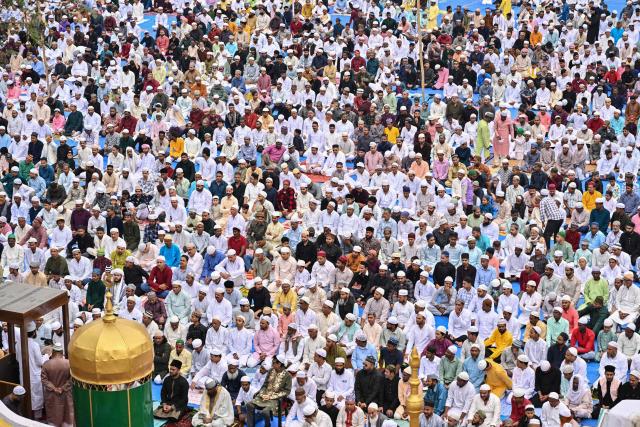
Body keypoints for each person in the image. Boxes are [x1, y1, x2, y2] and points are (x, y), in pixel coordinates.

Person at [246, 355, 292, 427]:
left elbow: (287, 391)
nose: (272, 364)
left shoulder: (287, 375)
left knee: (265, 412)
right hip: (264, 395)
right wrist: (261, 394)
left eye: (273, 363)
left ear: (279, 364)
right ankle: (250, 425)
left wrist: (271, 396)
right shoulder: (271, 370)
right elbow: (265, 385)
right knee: (249, 405)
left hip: (275, 399)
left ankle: (267, 425)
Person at [41, 343, 74, 427]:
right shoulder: (69, 363)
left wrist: (54, 388)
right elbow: (72, 379)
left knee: (53, 415)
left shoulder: (46, 364)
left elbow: (44, 380)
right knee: (67, 414)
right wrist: (63, 388)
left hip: (52, 395)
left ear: (53, 352)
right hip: (65, 394)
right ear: (62, 352)